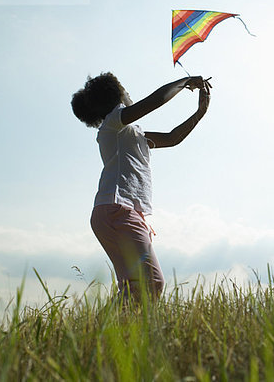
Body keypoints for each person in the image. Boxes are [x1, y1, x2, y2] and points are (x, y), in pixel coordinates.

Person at [71, 72, 211, 301]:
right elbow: (154, 101)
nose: (127, 94)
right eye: (123, 91)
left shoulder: (130, 134)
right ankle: (110, 333)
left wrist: (200, 112)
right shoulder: (112, 126)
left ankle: (101, 334)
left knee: (135, 287)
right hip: (117, 210)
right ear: (115, 98)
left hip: (116, 213)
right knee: (151, 282)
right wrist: (184, 82)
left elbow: (173, 137)